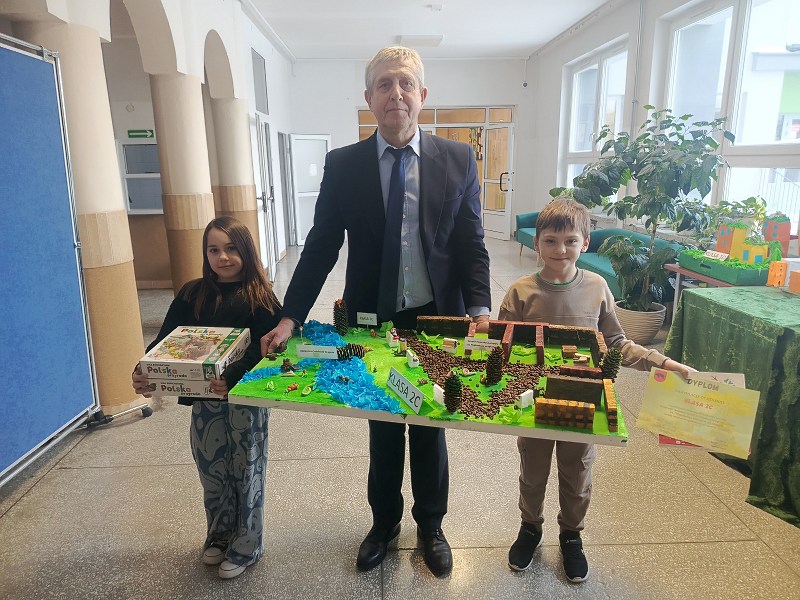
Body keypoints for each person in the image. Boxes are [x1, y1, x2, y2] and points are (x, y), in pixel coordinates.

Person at [260, 46, 491, 577]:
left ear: (422, 95)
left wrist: (480, 309)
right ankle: (384, 523)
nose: (396, 94)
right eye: (384, 84)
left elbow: (471, 243)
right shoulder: (344, 165)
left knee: (430, 420)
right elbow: (321, 245)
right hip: (373, 320)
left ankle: (431, 525)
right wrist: (291, 316)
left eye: (406, 84)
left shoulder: (458, 159)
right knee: (383, 421)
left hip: (436, 317)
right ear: (369, 98)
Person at [497, 197, 694, 583]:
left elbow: (616, 342)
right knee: (532, 470)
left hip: (583, 401)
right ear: (536, 242)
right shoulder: (520, 292)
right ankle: (530, 527)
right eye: (551, 241)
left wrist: (664, 363)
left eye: (570, 241)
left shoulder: (597, 287)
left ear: (585, 243)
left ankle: (571, 535)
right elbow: (503, 346)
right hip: (533, 400)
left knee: (577, 472)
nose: (560, 249)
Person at [132, 216, 282, 580]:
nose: (223, 257)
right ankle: (219, 533)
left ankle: (247, 543)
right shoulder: (192, 294)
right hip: (204, 402)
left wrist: (232, 377)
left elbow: (265, 350)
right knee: (212, 470)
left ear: (246, 251)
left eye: (231, 249)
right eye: (213, 250)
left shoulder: (261, 296)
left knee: (246, 468)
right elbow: (167, 341)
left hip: (245, 401)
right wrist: (146, 369)